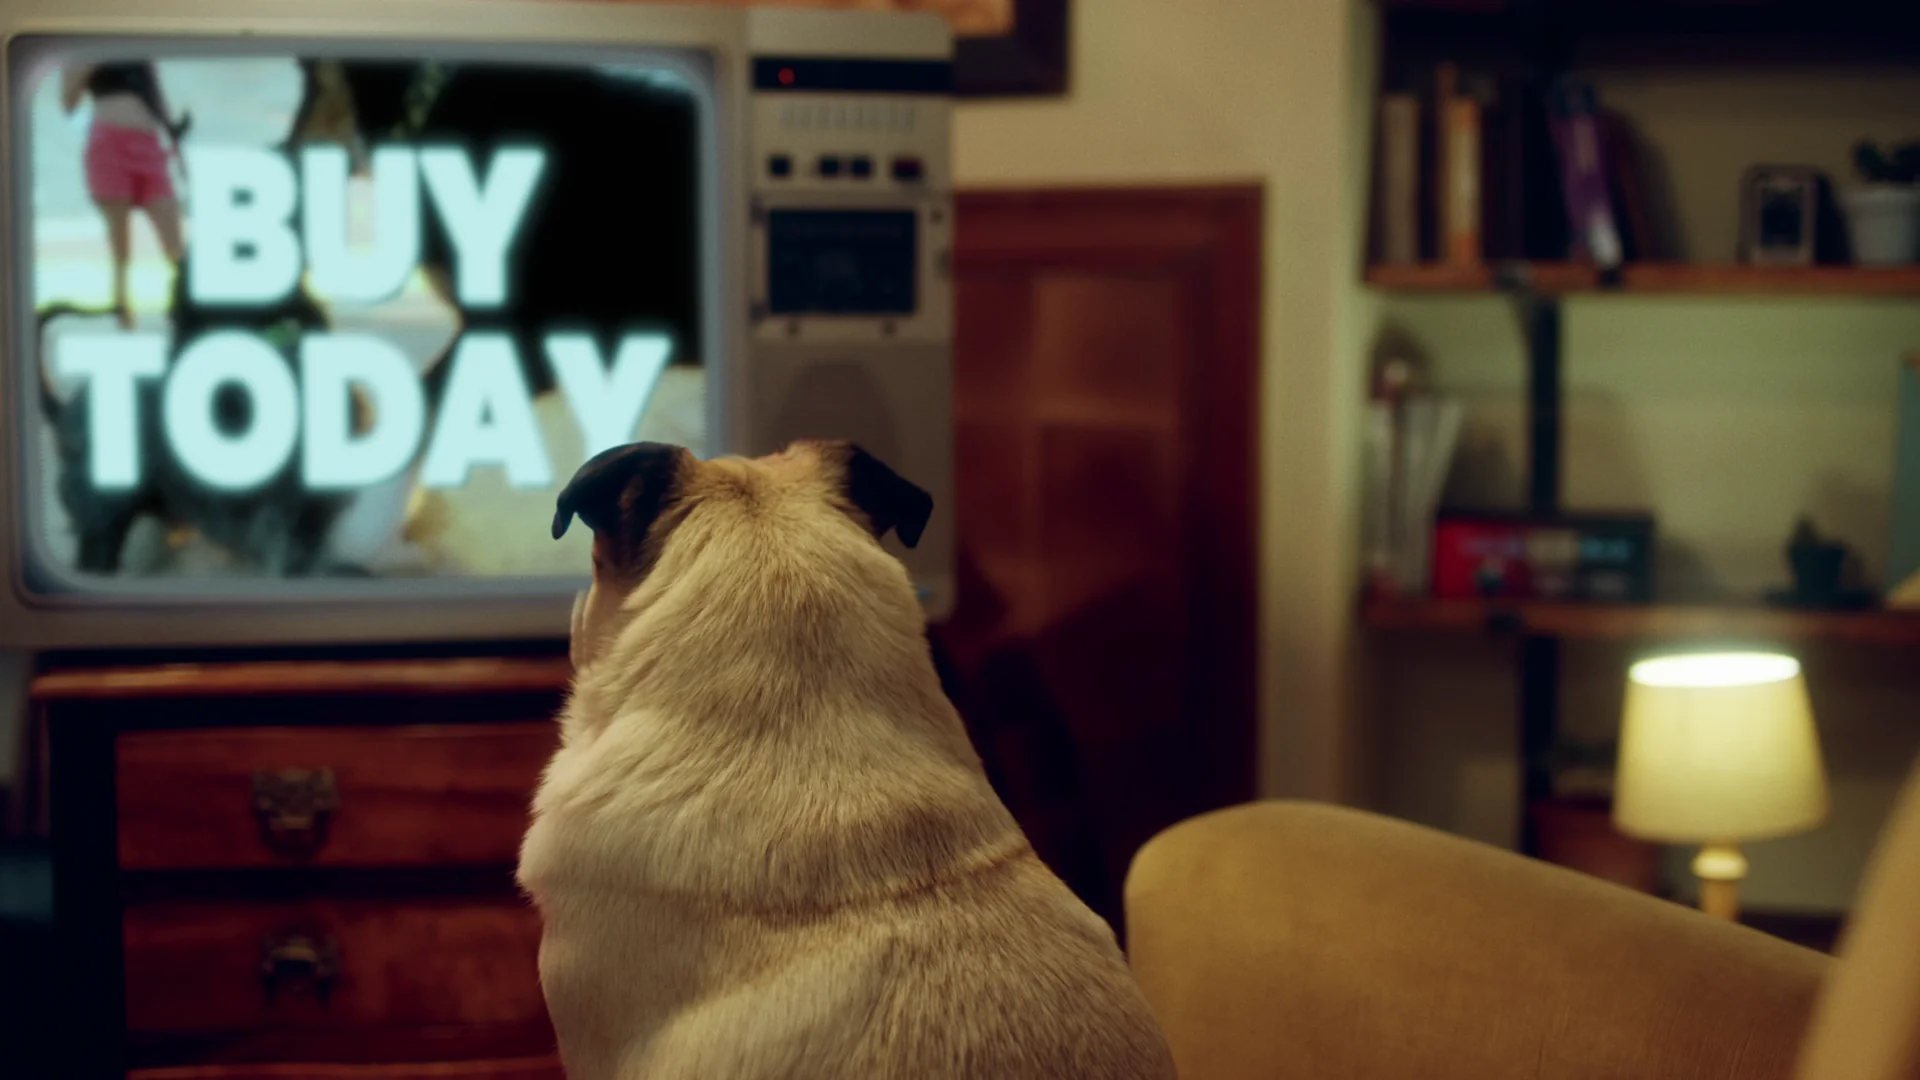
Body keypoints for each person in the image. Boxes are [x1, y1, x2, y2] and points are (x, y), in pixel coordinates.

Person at [61, 61, 187, 329]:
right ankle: (124, 316)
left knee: (174, 240)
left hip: (149, 144)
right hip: (108, 144)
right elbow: (68, 103)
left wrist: (178, 148)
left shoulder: (137, 44)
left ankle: (184, 306)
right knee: (120, 244)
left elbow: (157, 96)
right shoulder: (82, 47)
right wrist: (92, 59)